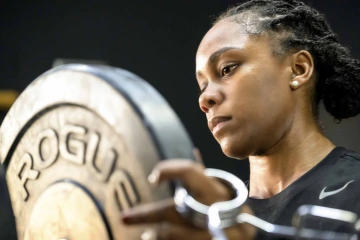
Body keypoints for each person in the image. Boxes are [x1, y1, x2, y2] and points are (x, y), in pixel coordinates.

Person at [121, 0, 360, 239]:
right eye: (202, 86)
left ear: (298, 69)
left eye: (227, 69)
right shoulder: (211, 218)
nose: (205, 98)